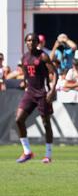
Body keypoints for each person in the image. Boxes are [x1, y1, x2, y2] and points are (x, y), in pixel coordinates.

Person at [15, 33, 58, 163]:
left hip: (42, 93)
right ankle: (27, 152)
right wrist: (24, 82)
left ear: (37, 43)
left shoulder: (43, 56)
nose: (31, 42)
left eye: (33, 40)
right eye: (28, 40)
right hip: (30, 93)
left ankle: (48, 155)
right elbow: (26, 73)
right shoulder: (24, 57)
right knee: (18, 120)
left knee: (46, 123)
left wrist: (52, 89)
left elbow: (54, 73)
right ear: (25, 42)